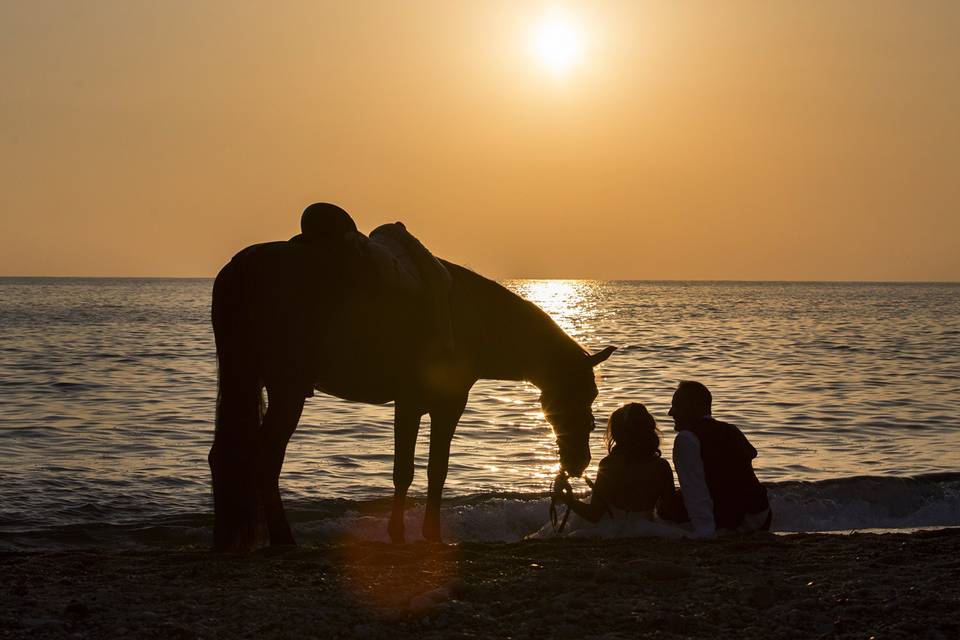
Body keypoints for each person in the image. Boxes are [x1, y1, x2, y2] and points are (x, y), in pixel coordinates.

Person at [669, 381, 771, 538]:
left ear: (694, 408)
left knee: (666, 508)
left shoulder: (686, 438)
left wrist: (704, 533)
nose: (671, 412)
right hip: (760, 515)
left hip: (728, 521)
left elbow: (695, 490)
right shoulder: (731, 429)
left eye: (677, 406)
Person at [556, 403, 676, 523]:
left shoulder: (609, 465)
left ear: (618, 434)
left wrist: (566, 498)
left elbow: (594, 514)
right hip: (649, 527)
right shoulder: (662, 466)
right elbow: (669, 511)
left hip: (612, 528)